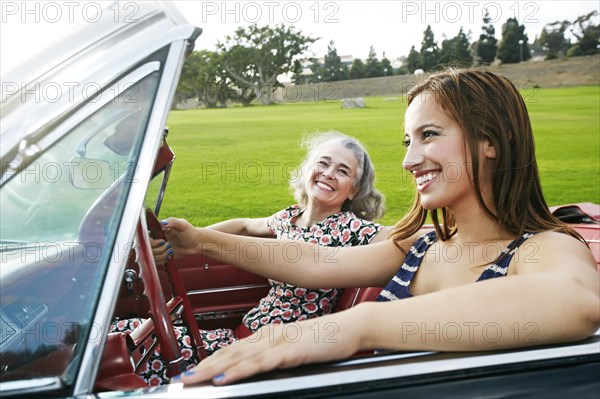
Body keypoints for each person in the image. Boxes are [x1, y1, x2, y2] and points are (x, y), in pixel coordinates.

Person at [163, 68, 600, 386]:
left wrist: (358, 324)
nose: (410, 161)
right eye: (408, 141)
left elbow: (574, 300)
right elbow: (314, 261)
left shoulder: (543, 247)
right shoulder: (420, 245)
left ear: (491, 140)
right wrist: (201, 240)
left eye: (429, 134)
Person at [112, 131, 389, 385]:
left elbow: (401, 237)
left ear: (353, 190)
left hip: (274, 356)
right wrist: (187, 241)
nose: (329, 173)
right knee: (125, 333)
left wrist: (197, 240)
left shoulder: (351, 227)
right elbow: (244, 225)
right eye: (323, 163)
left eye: (342, 171)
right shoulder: (288, 217)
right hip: (243, 335)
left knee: (132, 357)